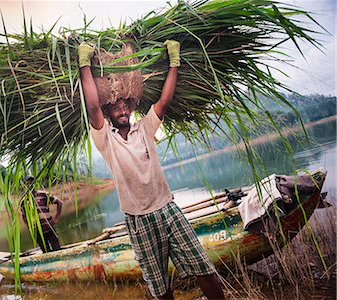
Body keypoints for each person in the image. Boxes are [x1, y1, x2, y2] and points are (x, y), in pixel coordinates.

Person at [78, 41, 225, 299]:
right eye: (116, 107)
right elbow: (92, 106)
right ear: (108, 113)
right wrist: (84, 63)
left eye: (125, 105)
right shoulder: (106, 139)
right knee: (160, 287)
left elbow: (164, 101)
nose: (122, 110)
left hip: (167, 209)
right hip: (138, 220)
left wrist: (174, 61)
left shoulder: (145, 128)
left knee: (203, 266)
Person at [21, 176, 63, 253]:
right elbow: (24, 217)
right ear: (24, 186)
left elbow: (59, 202)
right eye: (27, 184)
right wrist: (30, 227)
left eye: (31, 183)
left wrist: (56, 218)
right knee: (46, 253)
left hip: (49, 228)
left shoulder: (43, 195)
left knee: (57, 250)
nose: (30, 185)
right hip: (38, 233)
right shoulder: (24, 201)